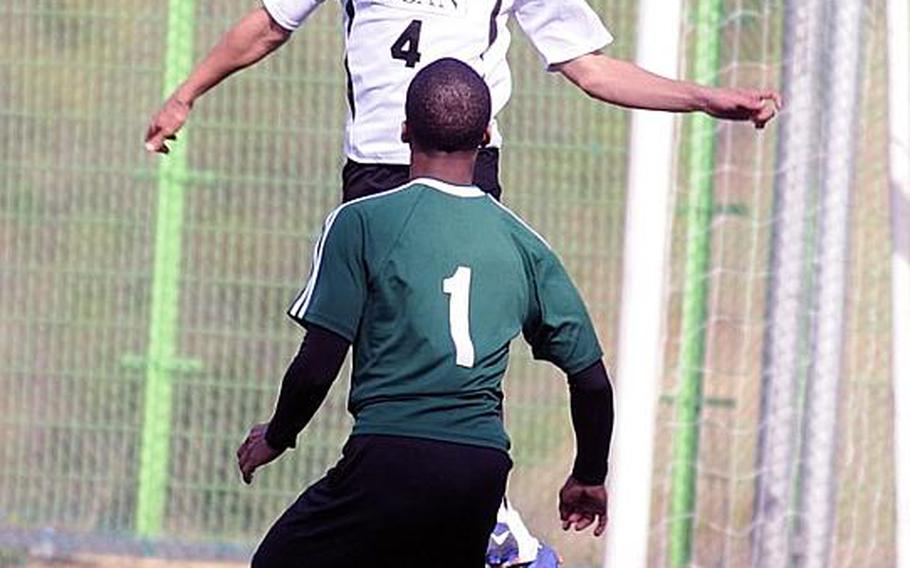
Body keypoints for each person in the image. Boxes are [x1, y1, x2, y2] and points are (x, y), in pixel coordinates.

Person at [235, 58, 614, 567]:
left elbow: (319, 361)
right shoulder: (526, 245)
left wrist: (277, 435)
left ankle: (520, 555)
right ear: (485, 136)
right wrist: (589, 475)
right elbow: (592, 382)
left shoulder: (361, 222)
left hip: (389, 455)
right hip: (479, 471)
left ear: (404, 130)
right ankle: (509, 548)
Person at [144, 0, 781, 201]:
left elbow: (588, 66)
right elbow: (267, 26)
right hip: (377, 164)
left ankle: (487, 504)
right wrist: (185, 94)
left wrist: (701, 97)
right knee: (381, 354)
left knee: (464, 343)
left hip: (467, 170)